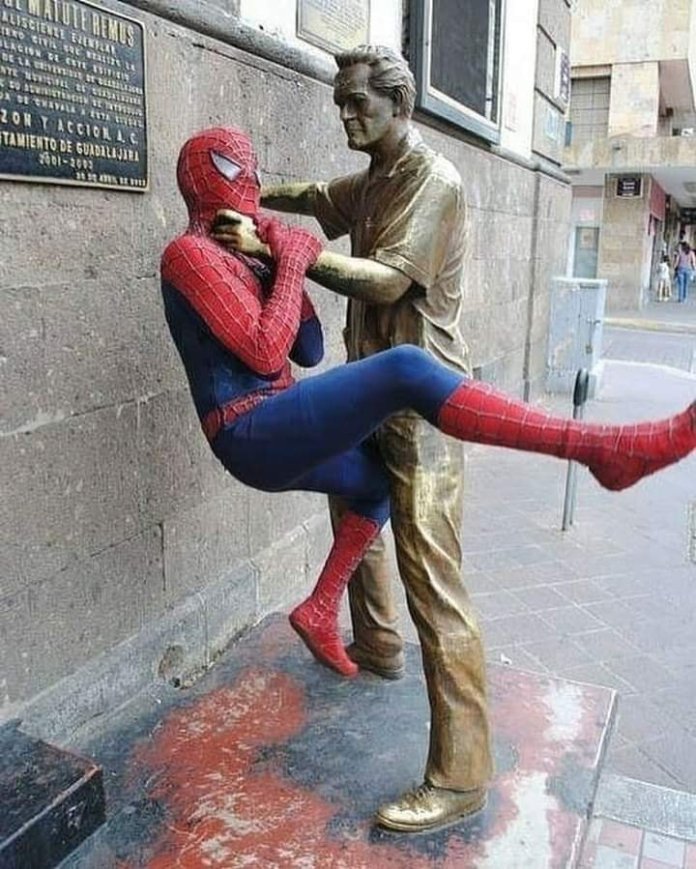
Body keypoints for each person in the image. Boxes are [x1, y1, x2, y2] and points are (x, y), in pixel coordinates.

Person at [161, 125, 696, 833]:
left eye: (254, 171)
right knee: (406, 370)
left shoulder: (242, 250)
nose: (249, 183)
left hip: (278, 414)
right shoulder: (188, 255)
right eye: (235, 170)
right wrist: (293, 259)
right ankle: (598, 446)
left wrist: (272, 256)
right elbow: (263, 351)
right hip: (248, 426)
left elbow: (310, 347)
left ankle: (322, 607)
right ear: (201, 178)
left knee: (377, 481)